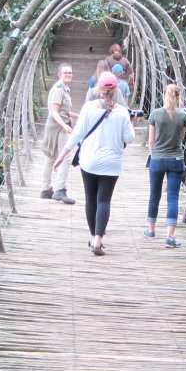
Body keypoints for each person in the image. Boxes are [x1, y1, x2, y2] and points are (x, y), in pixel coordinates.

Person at [54, 73, 135, 256]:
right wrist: (131, 124)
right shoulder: (122, 112)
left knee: (91, 199)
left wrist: (62, 155)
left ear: (98, 88)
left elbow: (77, 134)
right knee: (104, 200)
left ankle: (93, 237)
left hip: (89, 161)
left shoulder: (88, 108)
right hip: (111, 163)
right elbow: (129, 138)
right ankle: (98, 240)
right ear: (116, 90)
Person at [144, 83, 186, 248]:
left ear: (164, 95)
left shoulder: (155, 114)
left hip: (157, 159)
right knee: (173, 198)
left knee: (154, 194)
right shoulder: (183, 116)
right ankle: (170, 237)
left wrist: (153, 153)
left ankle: (151, 229)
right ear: (178, 97)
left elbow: (151, 140)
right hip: (176, 160)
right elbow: (181, 138)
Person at [39, 62, 77, 204]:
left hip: (58, 125)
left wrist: (79, 116)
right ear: (59, 74)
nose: (68, 74)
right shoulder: (59, 89)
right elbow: (53, 111)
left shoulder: (65, 89)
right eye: (65, 72)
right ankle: (60, 190)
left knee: (50, 157)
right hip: (57, 127)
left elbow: (63, 110)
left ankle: (46, 189)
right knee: (65, 156)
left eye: (70, 72)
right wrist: (65, 126)